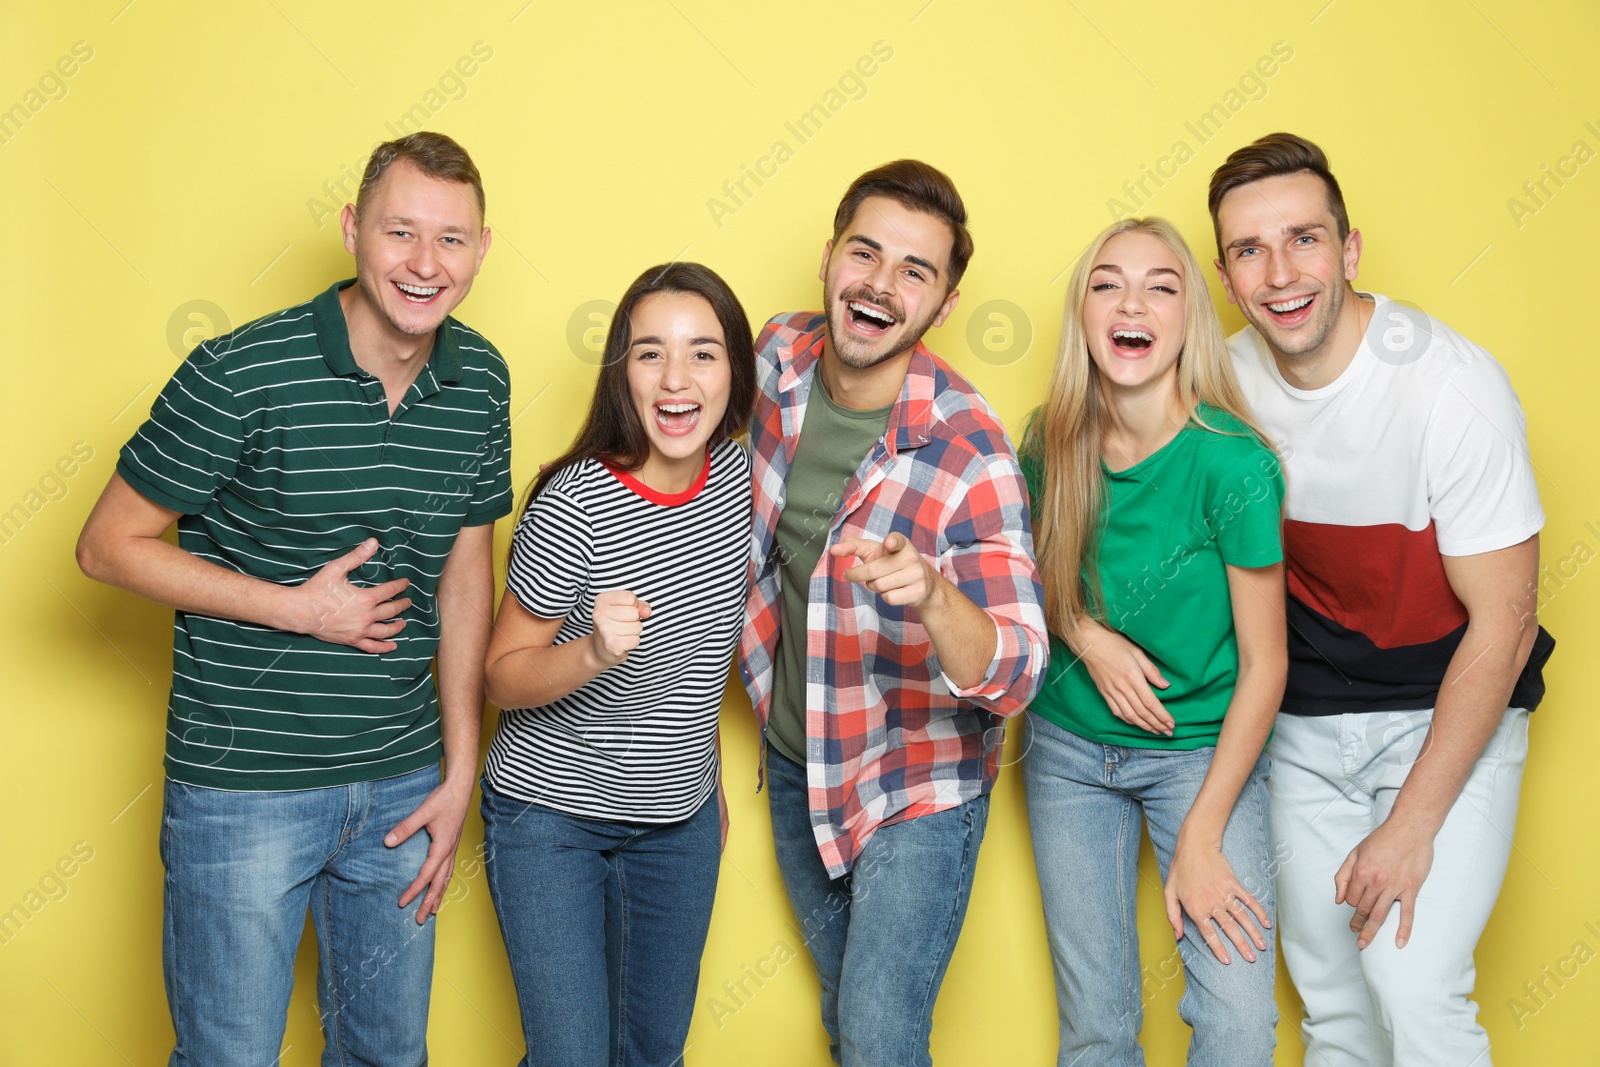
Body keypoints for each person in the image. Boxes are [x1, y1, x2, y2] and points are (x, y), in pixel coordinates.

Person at [74, 131, 508, 1065]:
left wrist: (459, 769)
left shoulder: (483, 381)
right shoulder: (242, 371)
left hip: (402, 783)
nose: (425, 264)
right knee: (228, 1056)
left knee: (388, 1055)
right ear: (354, 230)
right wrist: (300, 608)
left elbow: (468, 575)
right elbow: (106, 546)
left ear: (482, 249)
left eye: (452, 239)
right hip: (244, 791)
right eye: (400, 232)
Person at [1209, 132, 1555, 1067]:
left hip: (1444, 718)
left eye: (1304, 239)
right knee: (1335, 1010)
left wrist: (1410, 825)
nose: (1281, 273)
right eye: (1249, 249)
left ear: (1350, 249)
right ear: (1226, 273)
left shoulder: (1451, 387)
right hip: (1307, 724)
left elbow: (1507, 621)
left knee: (1412, 985)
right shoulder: (1224, 384)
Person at [738, 159, 1048, 1067]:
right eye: (865, 253)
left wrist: (937, 593)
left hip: (918, 776)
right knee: (846, 1015)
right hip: (799, 755)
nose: (881, 283)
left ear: (945, 302)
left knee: (878, 1033)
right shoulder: (772, 361)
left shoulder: (970, 448)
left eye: (916, 269)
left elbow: (1019, 668)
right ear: (829, 257)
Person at [1019, 217, 1287, 1066]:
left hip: (1203, 753)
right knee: (1097, 1029)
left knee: (1238, 1027)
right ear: (1084, 312)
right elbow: (1027, 576)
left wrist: (1205, 833)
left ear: (1189, 318)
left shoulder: (1234, 464)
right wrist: (1086, 635)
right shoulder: (1048, 436)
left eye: (1160, 286)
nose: (1131, 302)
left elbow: (1267, 664)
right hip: (1067, 750)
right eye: (1107, 284)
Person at [480, 262, 755, 1067]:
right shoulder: (575, 504)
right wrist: (594, 651)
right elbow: (500, 673)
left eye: (703, 353)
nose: (677, 379)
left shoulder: (739, 477)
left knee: (653, 1055)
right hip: (549, 817)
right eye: (649, 354)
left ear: (733, 370)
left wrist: (696, 778)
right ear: (620, 373)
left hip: (679, 822)